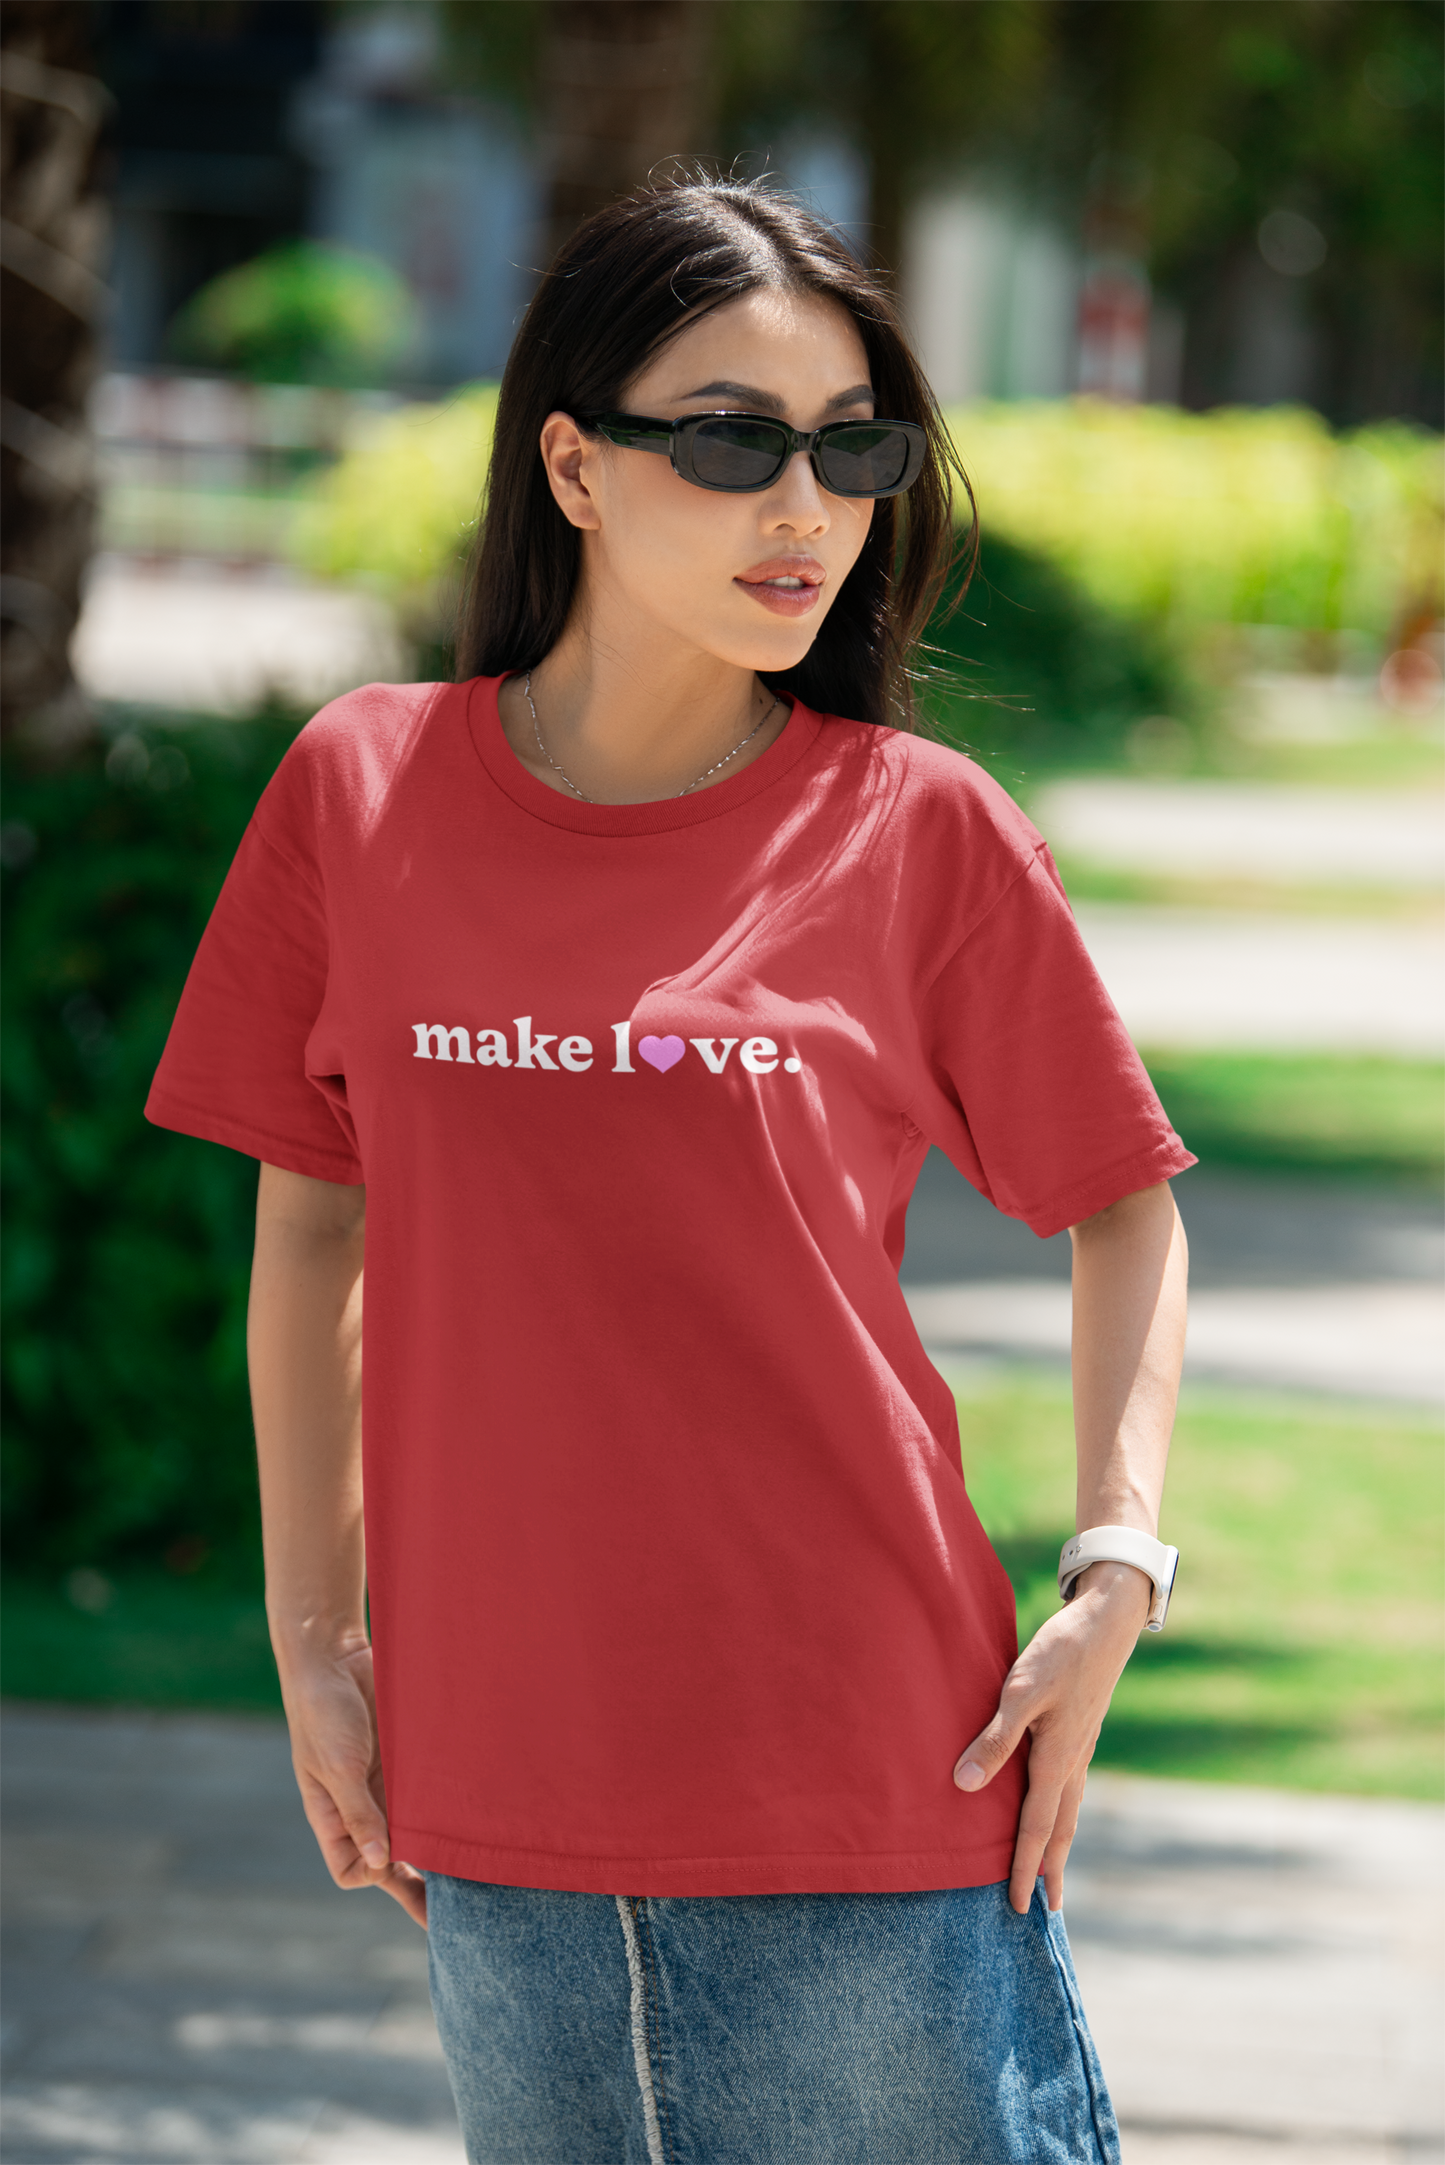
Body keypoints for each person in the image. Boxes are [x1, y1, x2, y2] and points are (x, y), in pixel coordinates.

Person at [147, 177, 1192, 2163]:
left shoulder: (919, 830)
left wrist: (1112, 1566)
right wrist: (314, 1637)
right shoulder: (357, 789)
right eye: (728, 442)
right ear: (575, 462)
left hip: (869, 1795)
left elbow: (1118, 1202)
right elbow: (312, 1215)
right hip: (501, 1808)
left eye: (850, 448)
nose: (801, 507)